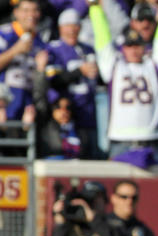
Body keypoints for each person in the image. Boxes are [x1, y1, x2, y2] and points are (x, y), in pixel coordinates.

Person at [90, 0, 158, 164]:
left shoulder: (155, 66)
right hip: (121, 141)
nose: (134, 50)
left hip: (151, 139)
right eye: (129, 46)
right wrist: (95, 9)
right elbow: (102, 42)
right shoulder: (114, 67)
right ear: (123, 48)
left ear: (144, 47)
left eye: (138, 45)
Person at [40, 8, 99, 158]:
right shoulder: (54, 49)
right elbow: (53, 80)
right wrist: (79, 71)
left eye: (75, 25)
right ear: (60, 27)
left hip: (88, 115)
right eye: (68, 25)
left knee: (90, 160)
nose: (72, 29)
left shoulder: (87, 49)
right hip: (66, 116)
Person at [0, 0, 43, 122]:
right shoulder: (3, 34)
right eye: (26, 10)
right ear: (16, 12)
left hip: (28, 107)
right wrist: (15, 50)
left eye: (35, 10)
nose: (31, 14)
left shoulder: (40, 40)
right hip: (4, 106)